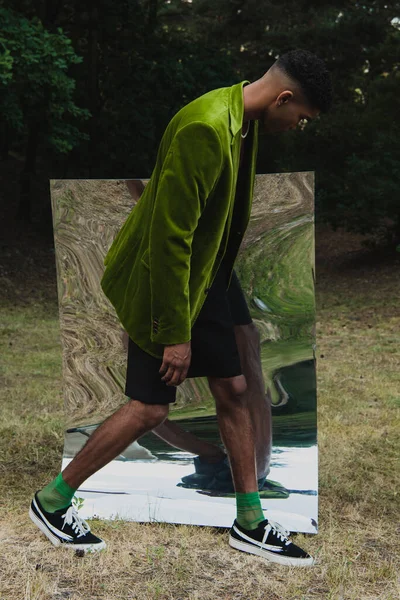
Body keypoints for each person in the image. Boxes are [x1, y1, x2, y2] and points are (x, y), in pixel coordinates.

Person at [29, 49, 332, 567]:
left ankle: (250, 522)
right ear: (283, 98)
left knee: (235, 388)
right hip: (163, 283)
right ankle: (53, 502)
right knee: (151, 407)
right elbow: (170, 238)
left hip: (204, 277)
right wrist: (175, 333)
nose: (298, 126)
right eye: (301, 117)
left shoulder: (244, 120)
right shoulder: (207, 127)